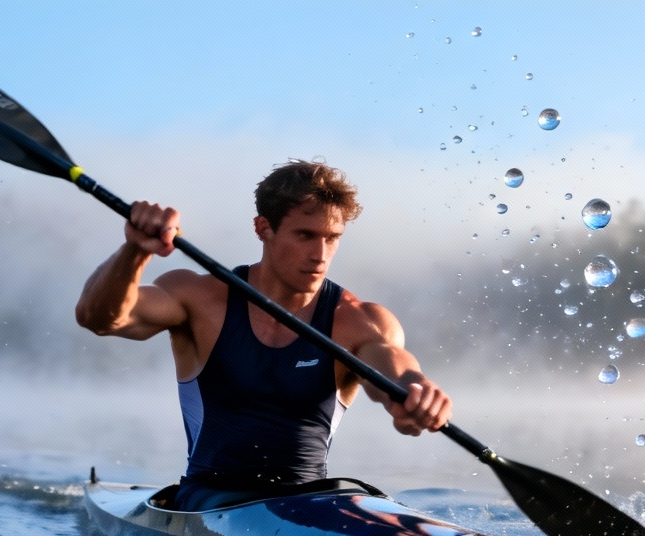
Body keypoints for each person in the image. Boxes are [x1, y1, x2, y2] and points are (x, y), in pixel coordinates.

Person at [75, 159, 452, 509]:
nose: (320, 253)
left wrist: (414, 399)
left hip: (309, 505)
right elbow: (99, 317)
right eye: (305, 235)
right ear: (263, 228)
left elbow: (396, 373)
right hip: (207, 501)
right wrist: (135, 252)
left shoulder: (358, 321)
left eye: (332, 237)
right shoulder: (201, 298)